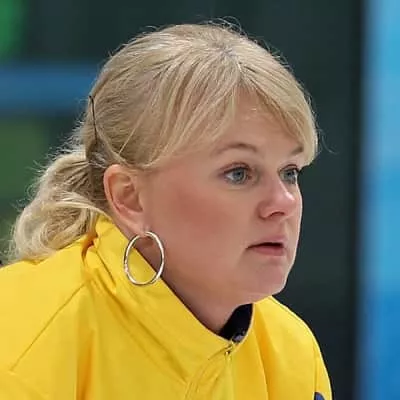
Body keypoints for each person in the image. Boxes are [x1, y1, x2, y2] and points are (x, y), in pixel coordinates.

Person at [0, 22, 332, 399]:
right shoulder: (19, 341)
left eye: (289, 172)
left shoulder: (292, 354)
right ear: (130, 197)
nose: (283, 203)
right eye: (239, 173)